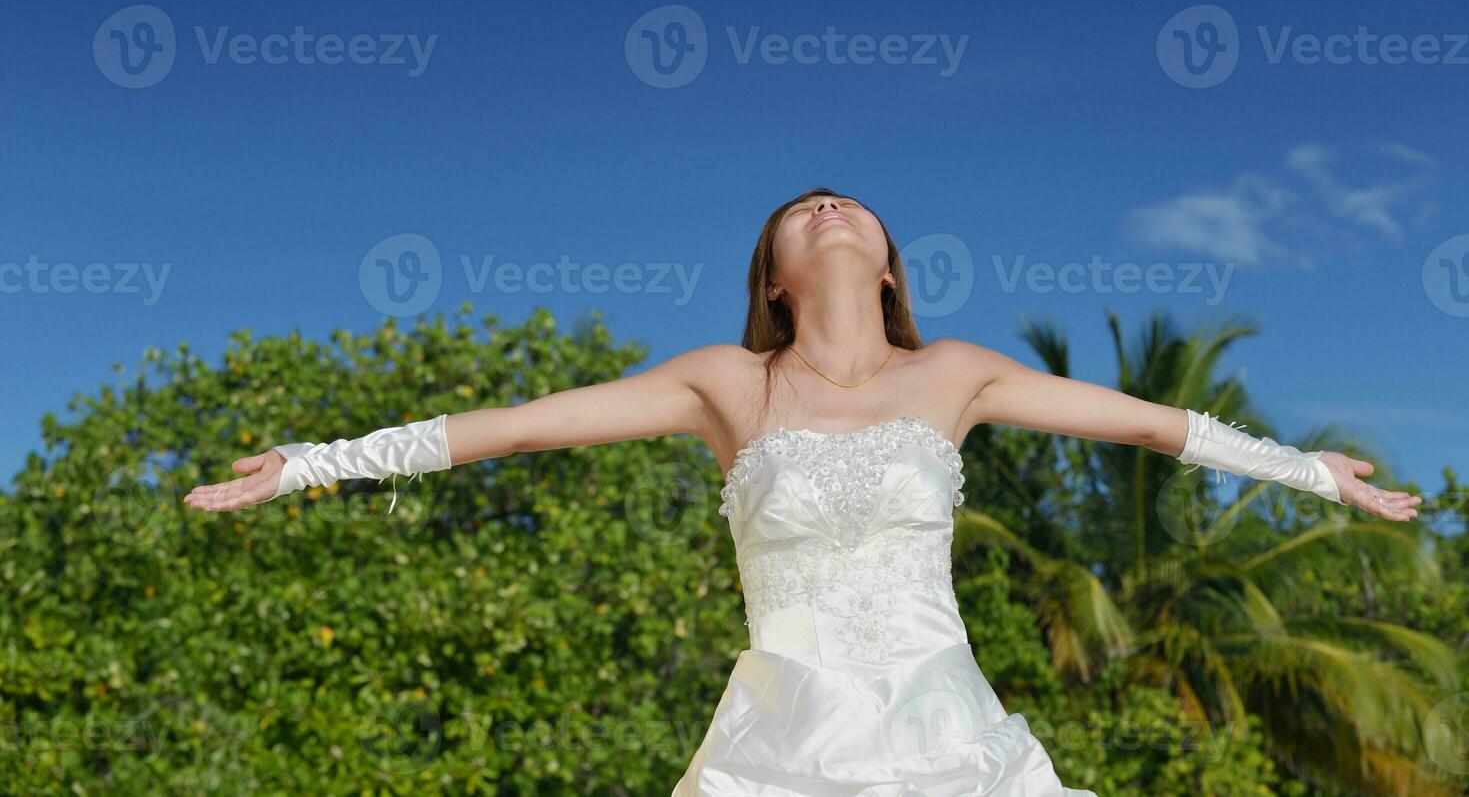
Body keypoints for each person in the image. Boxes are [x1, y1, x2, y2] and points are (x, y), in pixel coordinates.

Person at [185, 187, 1419, 794]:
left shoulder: (957, 373)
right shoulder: (726, 382)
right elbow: (513, 428)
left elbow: (1153, 424)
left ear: (886, 265)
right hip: (780, 735)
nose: (826, 206)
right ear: (774, 278)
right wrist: (315, 461)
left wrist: (1311, 468)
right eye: (798, 212)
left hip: (947, 729)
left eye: (847, 205)